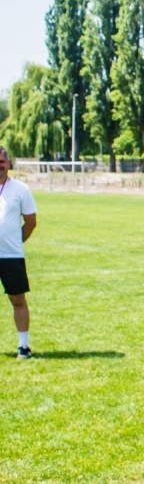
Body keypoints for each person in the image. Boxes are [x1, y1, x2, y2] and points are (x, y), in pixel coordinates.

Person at [0, 147, 37, 359]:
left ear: (8, 163)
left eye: (2, 161)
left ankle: (23, 346)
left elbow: (31, 223)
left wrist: (15, 241)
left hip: (11, 256)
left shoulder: (21, 189)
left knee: (18, 299)